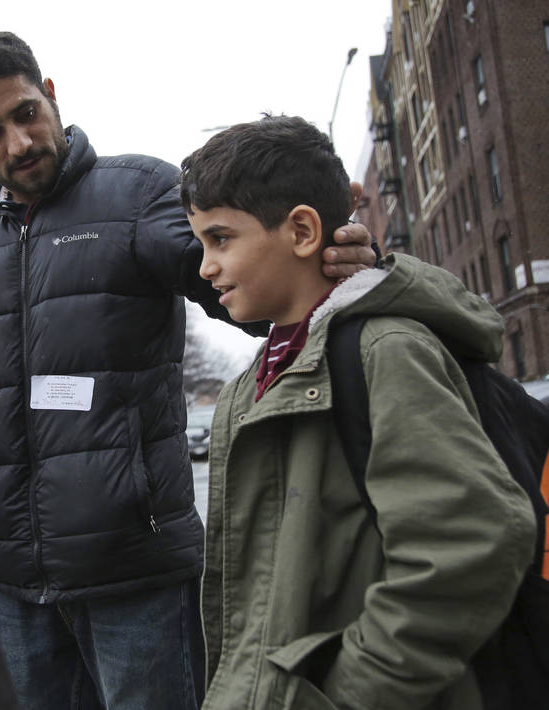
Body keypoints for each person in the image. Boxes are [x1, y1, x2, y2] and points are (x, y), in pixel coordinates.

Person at [0, 32, 376, 709]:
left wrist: (330, 261)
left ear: (50, 97)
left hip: (137, 580)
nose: (19, 143)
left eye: (26, 114)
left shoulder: (138, 193)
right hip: (20, 591)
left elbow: (258, 297)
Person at [180, 115, 534, 709]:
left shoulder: (383, 351)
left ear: (300, 231)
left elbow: (470, 546)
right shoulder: (252, 384)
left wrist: (347, 692)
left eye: (221, 240)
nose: (204, 267)